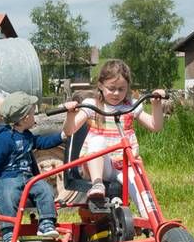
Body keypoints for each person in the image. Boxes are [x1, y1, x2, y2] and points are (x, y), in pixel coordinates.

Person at [62, 59, 165, 205]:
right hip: (98, 167)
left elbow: (155, 126)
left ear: (127, 87)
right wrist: (70, 115)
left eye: (121, 89)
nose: (116, 93)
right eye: (111, 88)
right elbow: (69, 130)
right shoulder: (92, 105)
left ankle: (150, 218)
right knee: (98, 140)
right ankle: (98, 184)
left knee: (144, 197)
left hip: (124, 165)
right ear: (100, 85)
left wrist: (156, 105)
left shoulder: (131, 106)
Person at [0, 92, 64, 242]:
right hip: (7, 178)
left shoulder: (27, 135)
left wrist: (62, 136)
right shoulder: (4, 138)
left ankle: (46, 223)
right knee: (8, 194)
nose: (34, 116)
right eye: (33, 113)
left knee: (45, 189)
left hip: (28, 178)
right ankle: (8, 231)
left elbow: (42, 142)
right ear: (25, 118)